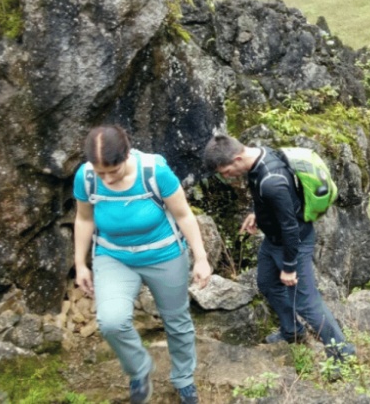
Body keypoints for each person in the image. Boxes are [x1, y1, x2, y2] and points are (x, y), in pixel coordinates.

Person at [73, 125, 211, 404]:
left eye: (114, 170)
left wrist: (201, 258)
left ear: (127, 155)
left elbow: (183, 215)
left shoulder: (154, 171)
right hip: (114, 257)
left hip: (164, 254)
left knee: (176, 320)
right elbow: (84, 219)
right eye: (102, 173)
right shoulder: (86, 177)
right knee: (111, 321)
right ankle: (139, 369)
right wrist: (80, 264)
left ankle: (184, 379)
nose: (108, 179)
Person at [202, 135, 355, 369]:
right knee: (266, 282)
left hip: (292, 243)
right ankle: (292, 331)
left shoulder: (272, 182)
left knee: (306, 303)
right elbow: (269, 198)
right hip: (274, 241)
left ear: (238, 157)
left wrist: (290, 267)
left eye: (225, 171)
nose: (225, 177)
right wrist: (257, 213)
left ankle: (343, 355)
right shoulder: (258, 156)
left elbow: (290, 227)